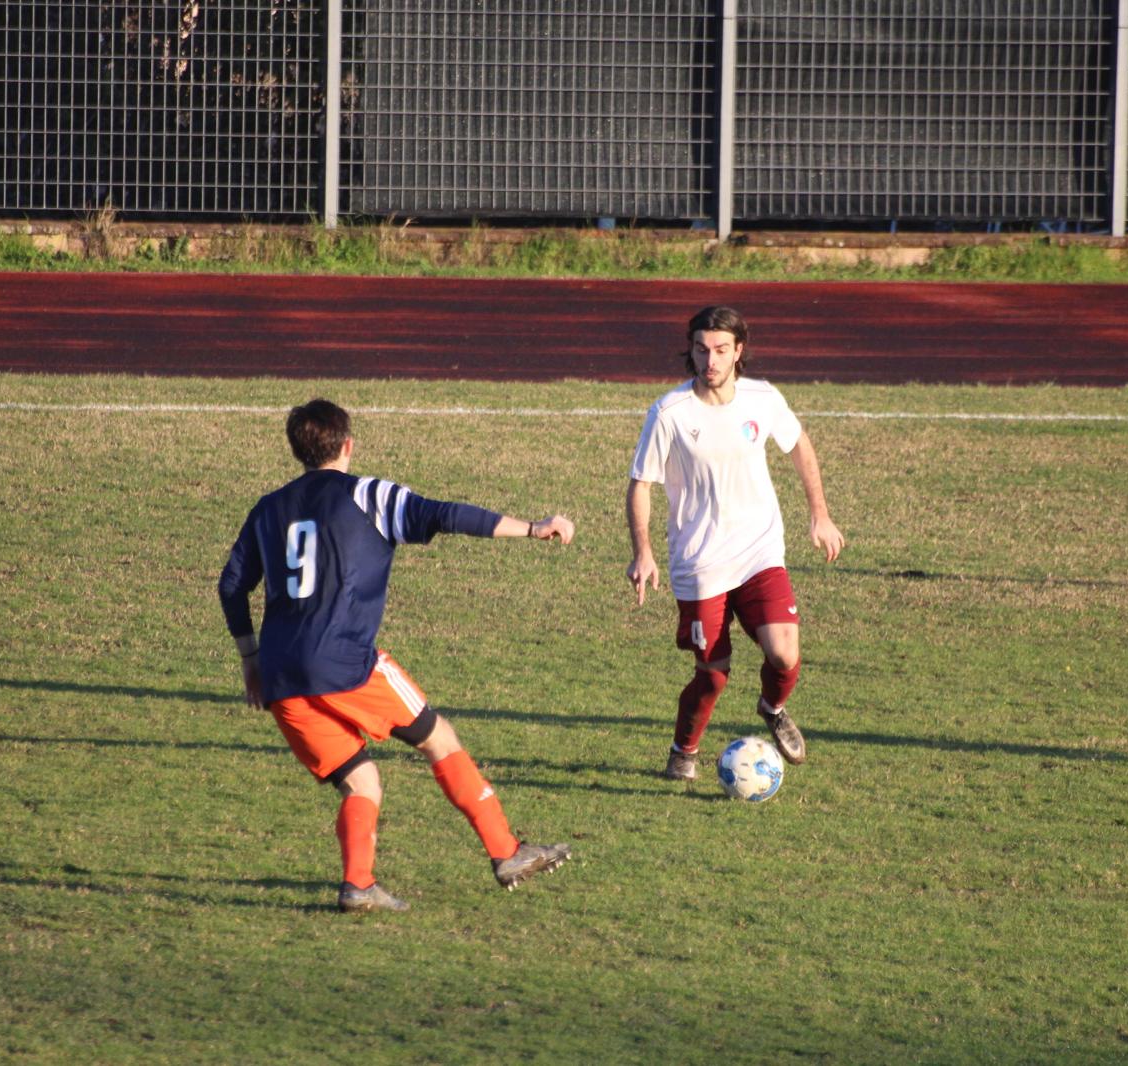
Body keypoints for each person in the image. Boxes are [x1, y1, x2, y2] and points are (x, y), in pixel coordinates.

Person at [219, 398, 574, 913]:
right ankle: (506, 851)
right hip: (346, 662)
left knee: (361, 779)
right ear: (347, 445)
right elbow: (445, 515)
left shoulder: (268, 507)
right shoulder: (368, 494)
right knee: (439, 738)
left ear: (297, 451)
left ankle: (358, 885)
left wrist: (250, 659)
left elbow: (232, 586)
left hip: (278, 675)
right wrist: (532, 527)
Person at [626, 306, 845, 782]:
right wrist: (642, 551)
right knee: (713, 672)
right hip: (701, 561)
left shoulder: (761, 399)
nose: (710, 360)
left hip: (760, 549)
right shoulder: (670, 413)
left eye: (721, 350)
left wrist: (820, 515)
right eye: (702, 349)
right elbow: (640, 484)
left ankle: (773, 706)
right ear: (691, 350)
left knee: (784, 653)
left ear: (738, 351)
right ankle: (683, 752)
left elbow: (799, 444)